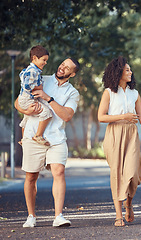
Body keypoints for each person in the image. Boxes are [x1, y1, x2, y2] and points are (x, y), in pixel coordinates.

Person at [15, 57, 81, 228]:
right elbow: (18, 101)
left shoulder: (72, 93)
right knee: (31, 176)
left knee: (58, 172)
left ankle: (58, 216)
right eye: (62, 64)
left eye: (67, 68)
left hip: (56, 138)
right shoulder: (40, 78)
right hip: (32, 135)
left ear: (72, 74)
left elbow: (67, 115)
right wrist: (25, 109)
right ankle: (31, 216)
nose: (62, 68)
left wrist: (48, 98)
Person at [97, 56, 141, 227]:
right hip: (115, 133)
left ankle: (128, 204)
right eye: (127, 70)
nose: (130, 72)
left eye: (130, 69)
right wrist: (123, 116)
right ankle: (118, 215)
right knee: (117, 174)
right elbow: (101, 116)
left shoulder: (134, 93)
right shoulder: (109, 92)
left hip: (132, 134)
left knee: (134, 174)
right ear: (118, 72)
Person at [18, 45, 52, 146]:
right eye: (44, 60)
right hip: (28, 100)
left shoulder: (30, 70)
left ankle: (23, 139)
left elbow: (21, 76)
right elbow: (27, 85)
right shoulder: (33, 71)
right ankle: (38, 135)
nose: (45, 63)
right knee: (47, 113)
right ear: (34, 58)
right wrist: (39, 88)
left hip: (24, 99)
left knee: (27, 118)